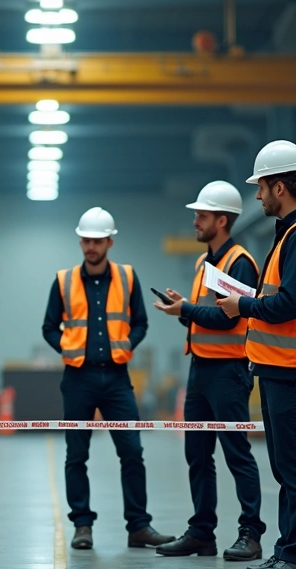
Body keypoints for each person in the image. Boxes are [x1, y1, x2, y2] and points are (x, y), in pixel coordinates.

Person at [217, 140, 296, 569]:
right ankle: (290, 550)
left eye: (262, 187)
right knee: (286, 466)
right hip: (279, 366)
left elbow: (292, 304)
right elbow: (281, 299)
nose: (258, 196)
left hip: (294, 368)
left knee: (295, 466)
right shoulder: (292, 234)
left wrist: (241, 308)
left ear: (280, 186)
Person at [42, 207, 176, 551]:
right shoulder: (63, 281)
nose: (90, 246)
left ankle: (139, 526)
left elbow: (141, 323)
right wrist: (67, 347)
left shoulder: (128, 278)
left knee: (132, 451)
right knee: (77, 455)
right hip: (78, 378)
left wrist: (128, 344)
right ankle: (82, 525)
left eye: (97, 241)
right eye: (86, 240)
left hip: (117, 378)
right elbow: (48, 328)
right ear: (80, 241)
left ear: (109, 242)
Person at [152, 180, 267, 561]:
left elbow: (226, 319)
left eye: (201, 216)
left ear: (222, 220)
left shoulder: (241, 263)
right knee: (197, 454)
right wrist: (182, 309)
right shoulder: (204, 263)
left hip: (229, 373)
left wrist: (185, 310)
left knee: (237, 453)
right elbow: (205, 319)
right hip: (200, 372)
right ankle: (202, 532)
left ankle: (250, 534)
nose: (196, 222)